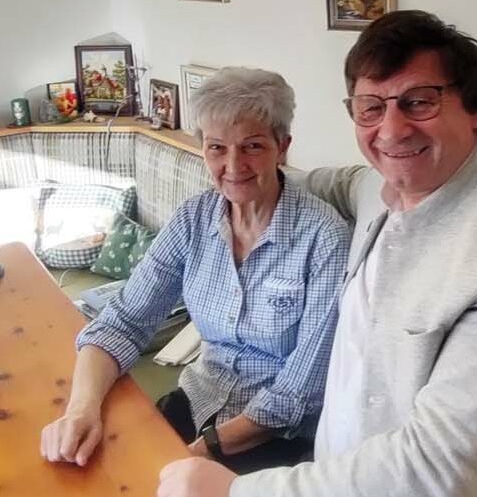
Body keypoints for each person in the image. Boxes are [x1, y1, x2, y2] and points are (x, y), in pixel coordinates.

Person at [158, 10, 477, 497]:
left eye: (419, 102)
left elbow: (434, 470)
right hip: (335, 477)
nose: (392, 130)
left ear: (474, 110)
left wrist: (236, 492)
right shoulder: (382, 187)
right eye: (371, 107)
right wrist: (253, 181)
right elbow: (330, 182)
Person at [40, 67, 350, 473]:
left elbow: (299, 393)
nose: (233, 165)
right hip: (197, 400)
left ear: (283, 147)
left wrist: (194, 454)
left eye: (252, 146)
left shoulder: (325, 239)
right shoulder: (193, 219)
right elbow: (123, 322)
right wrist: (81, 410)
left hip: (274, 438)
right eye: (217, 147)